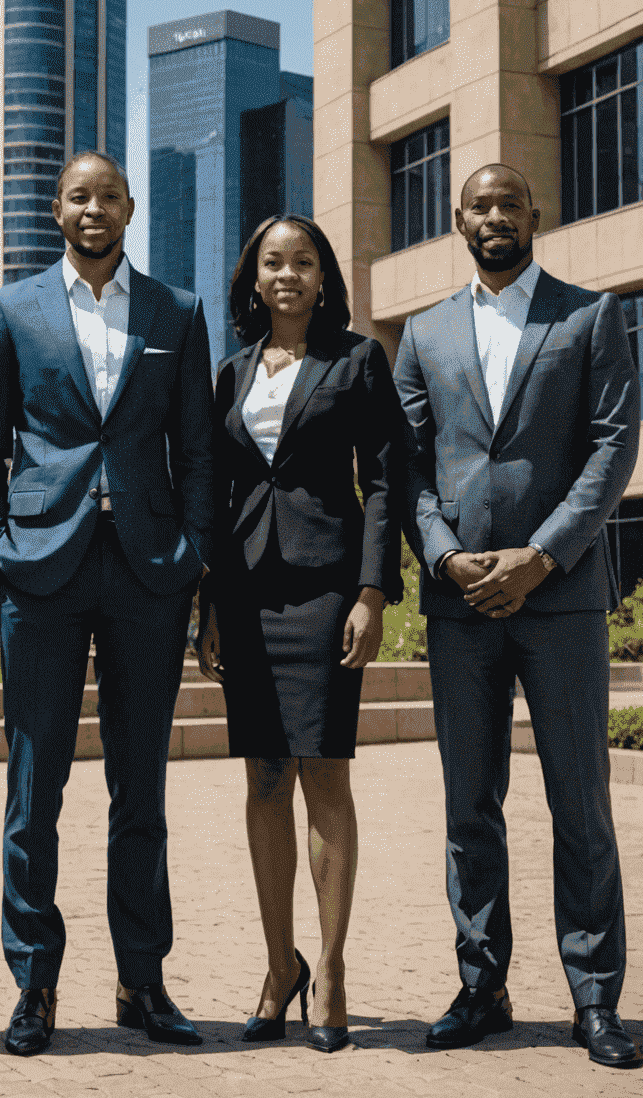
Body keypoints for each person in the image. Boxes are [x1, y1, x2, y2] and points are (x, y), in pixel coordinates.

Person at [393, 163, 643, 1070]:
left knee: (580, 803)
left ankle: (595, 998)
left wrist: (541, 556)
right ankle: (481, 984)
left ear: (536, 213)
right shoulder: (422, 333)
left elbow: (614, 447)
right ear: (457, 220)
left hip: (561, 596)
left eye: (510, 203)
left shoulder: (590, 315)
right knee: (470, 806)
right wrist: (446, 555)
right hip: (461, 603)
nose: (495, 215)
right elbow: (406, 465)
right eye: (480, 205)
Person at [0, 151, 212, 1056]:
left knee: (139, 789)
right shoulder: (11, 308)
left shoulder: (176, 313)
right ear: (56, 210)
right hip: (42, 570)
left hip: (149, 572)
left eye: (109, 195)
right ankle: (33, 985)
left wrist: (194, 559)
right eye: (79, 196)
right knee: (35, 790)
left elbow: (198, 448)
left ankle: (142, 980)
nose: (94, 208)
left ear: (131, 208)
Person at [197, 214, 402, 1052]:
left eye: (304, 262)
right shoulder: (230, 372)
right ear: (254, 278)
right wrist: (208, 603)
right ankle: (279, 965)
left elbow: (387, 479)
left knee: (326, 777)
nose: (288, 274)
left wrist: (372, 591)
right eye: (273, 262)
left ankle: (333, 968)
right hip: (246, 595)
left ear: (323, 277)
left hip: (325, 591)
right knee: (264, 780)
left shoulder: (357, 361)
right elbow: (214, 495)